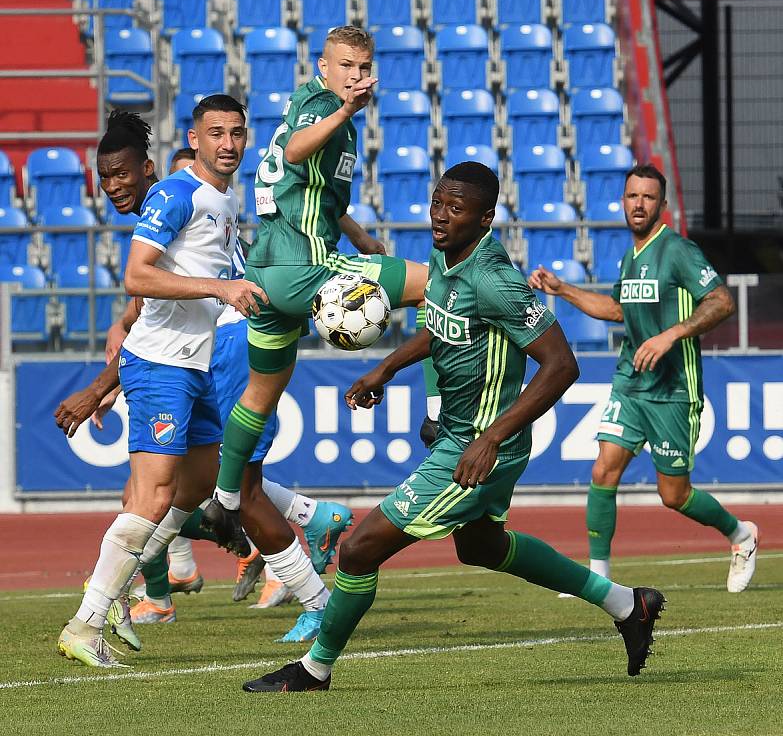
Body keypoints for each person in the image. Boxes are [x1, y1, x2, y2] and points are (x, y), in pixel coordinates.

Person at [242, 162, 666, 693]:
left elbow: (562, 365)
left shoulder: (494, 280)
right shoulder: (445, 261)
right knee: (481, 548)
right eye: (438, 203)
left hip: (480, 445)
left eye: (455, 208)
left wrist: (489, 439)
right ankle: (628, 604)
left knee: (358, 549)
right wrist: (387, 367)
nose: (440, 217)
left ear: (485, 218)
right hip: (464, 438)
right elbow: (444, 325)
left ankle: (314, 668)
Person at [88, 114, 358, 631]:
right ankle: (307, 523)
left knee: (216, 489)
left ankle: (307, 595)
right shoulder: (200, 203)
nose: (114, 186)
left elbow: (158, 304)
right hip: (221, 338)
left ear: (151, 173)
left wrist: (102, 385)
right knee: (197, 484)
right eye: (106, 178)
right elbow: (151, 304)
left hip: (225, 343)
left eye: (122, 174)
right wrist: (121, 333)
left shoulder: (178, 198)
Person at [205, 25, 441, 570]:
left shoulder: (317, 108)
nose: (355, 77)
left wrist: (357, 232)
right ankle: (436, 415)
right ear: (323, 66)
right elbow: (294, 151)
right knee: (437, 283)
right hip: (306, 268)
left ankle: (223, 501)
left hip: (267, 273)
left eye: (363, 68)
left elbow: (310, 189)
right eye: (346, 67)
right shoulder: (320, 107)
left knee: (261, 395)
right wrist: (344, 112)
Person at [55, 94, 265, 668]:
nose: (228, 143)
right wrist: (219, 290)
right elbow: (136, 275)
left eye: (237, 134)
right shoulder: (177, 194)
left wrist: (103, 384)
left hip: (190, 365)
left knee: (194, 487)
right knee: (150, 497)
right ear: (194, 139)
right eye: (216, 133)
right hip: (162, 369)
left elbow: (158, 293)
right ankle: (88, 621)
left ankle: (117, 590)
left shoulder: (221, 201)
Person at [528, 164, 758, 593]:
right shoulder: (630, 255)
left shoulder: (678, 251)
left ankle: (740, 534)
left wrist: (671, 334)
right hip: (631, 382)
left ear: (662, 206)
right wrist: (562, 290)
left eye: (648, 197)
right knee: (603, 471)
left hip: (673, 390)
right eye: (633, 196)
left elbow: (722, 301)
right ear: (623, 202)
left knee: (673, 495)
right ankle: (599, 573)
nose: (639, 204)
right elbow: (617, 310)